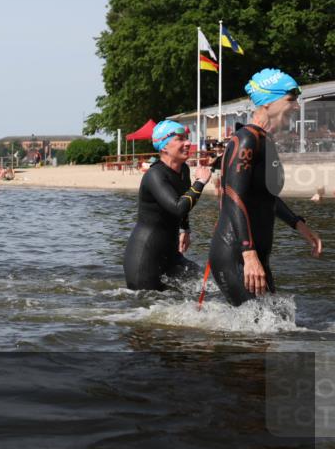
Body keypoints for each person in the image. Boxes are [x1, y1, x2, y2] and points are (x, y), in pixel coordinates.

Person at [209, 69, 322, 305]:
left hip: (254, 253)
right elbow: (233, 196)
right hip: (237, 253)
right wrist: (248, 254)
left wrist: (298, 224)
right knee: (259, 335)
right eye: (290, 100)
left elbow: (265, 196)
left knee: (272, 330)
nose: (297, 107)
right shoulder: (247, 139)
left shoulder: (264, 141)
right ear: (268, 102)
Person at [123, 120, 211, 290]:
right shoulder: (155, 175)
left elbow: (183, 200)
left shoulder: (183, 170)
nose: (187, 143)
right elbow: (178, 206)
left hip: (170, 254)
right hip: (145, 258)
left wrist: (185, 229)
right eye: (180, 139)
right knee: (148, 308)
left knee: (203, 285)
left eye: (187, 138)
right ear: (164, 147)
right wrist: (200, 182)